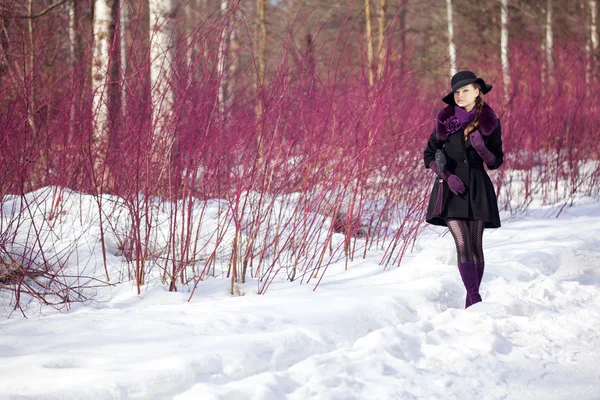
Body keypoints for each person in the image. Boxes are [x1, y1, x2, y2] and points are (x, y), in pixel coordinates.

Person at [423, 70, 503, 308]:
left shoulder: (490, 121)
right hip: (450, 188)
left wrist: (483, 150)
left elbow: (495, 161)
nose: (460, 95)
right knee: (462, 243)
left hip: (478, 187)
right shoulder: (445, 119)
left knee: (475, 245)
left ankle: (472, 301)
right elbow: (429, 154)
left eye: (465, 90)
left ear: (477, 91)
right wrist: (446, 176)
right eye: (456, 91)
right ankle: (475, 297)